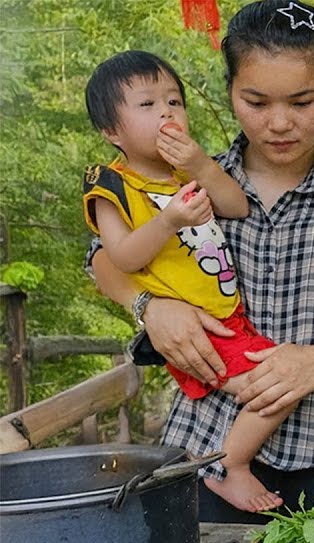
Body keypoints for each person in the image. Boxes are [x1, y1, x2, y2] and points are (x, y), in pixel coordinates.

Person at [87, 0, 314, 523]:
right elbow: (103, 259)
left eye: (302, 100)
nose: (279, 123)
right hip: (205, 444)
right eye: (256, 101)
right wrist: (149, 308)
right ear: (229, 92)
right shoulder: (182, 184)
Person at [83, 50, 289, 513]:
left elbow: (236, 206)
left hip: (225, 313)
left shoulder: (183, 173)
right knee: (278, 386)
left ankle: (223, 461)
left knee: (282, 376)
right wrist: (170, 219)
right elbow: (121, 255)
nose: (167, 113)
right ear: (111, 131)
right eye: (147, 105)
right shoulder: (112, 187)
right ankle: (228, 467)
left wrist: (201, 166)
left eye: (174, 101)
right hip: (191, 328)